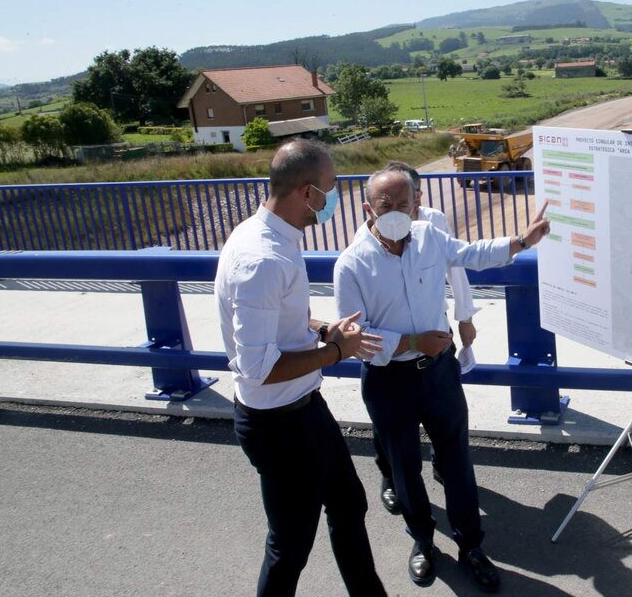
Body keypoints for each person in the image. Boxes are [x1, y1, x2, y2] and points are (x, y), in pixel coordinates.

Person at [332, 169, 551, 592]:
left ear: (417, 205)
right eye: (385, 206)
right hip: (388, 382)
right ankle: (423, 541)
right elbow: (355, 340)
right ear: (367, 209)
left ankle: (471, 546)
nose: (395, 213)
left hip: (439, 374)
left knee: (456, 462)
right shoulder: (352, 264)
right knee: (405, 468)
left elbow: (471, 253)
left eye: (403, 204)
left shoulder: (430, 237)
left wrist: (522, 242)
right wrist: (412, 341)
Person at [215, 138, 387, 597]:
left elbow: (278, 320)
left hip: (303, 411)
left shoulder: (270, 236)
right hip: (279, 425)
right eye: (330, 188)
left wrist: (322, 327)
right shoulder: (263, 259)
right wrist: (338, 352)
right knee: (289, 545)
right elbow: (257, 366)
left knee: (349, 503)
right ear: (308, 193)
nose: (334, 198)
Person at [357, 162, 481, 516]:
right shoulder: (368, 232)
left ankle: (445, 469)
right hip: (393, 355)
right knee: (394, 436)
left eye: (407, 198)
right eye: (389, 201)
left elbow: (455, 266)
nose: (399, 207)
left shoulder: (433, 222)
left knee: (447, 424)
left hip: (435, 336)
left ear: (417, 198)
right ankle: (391, 478)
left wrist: (465, 317)